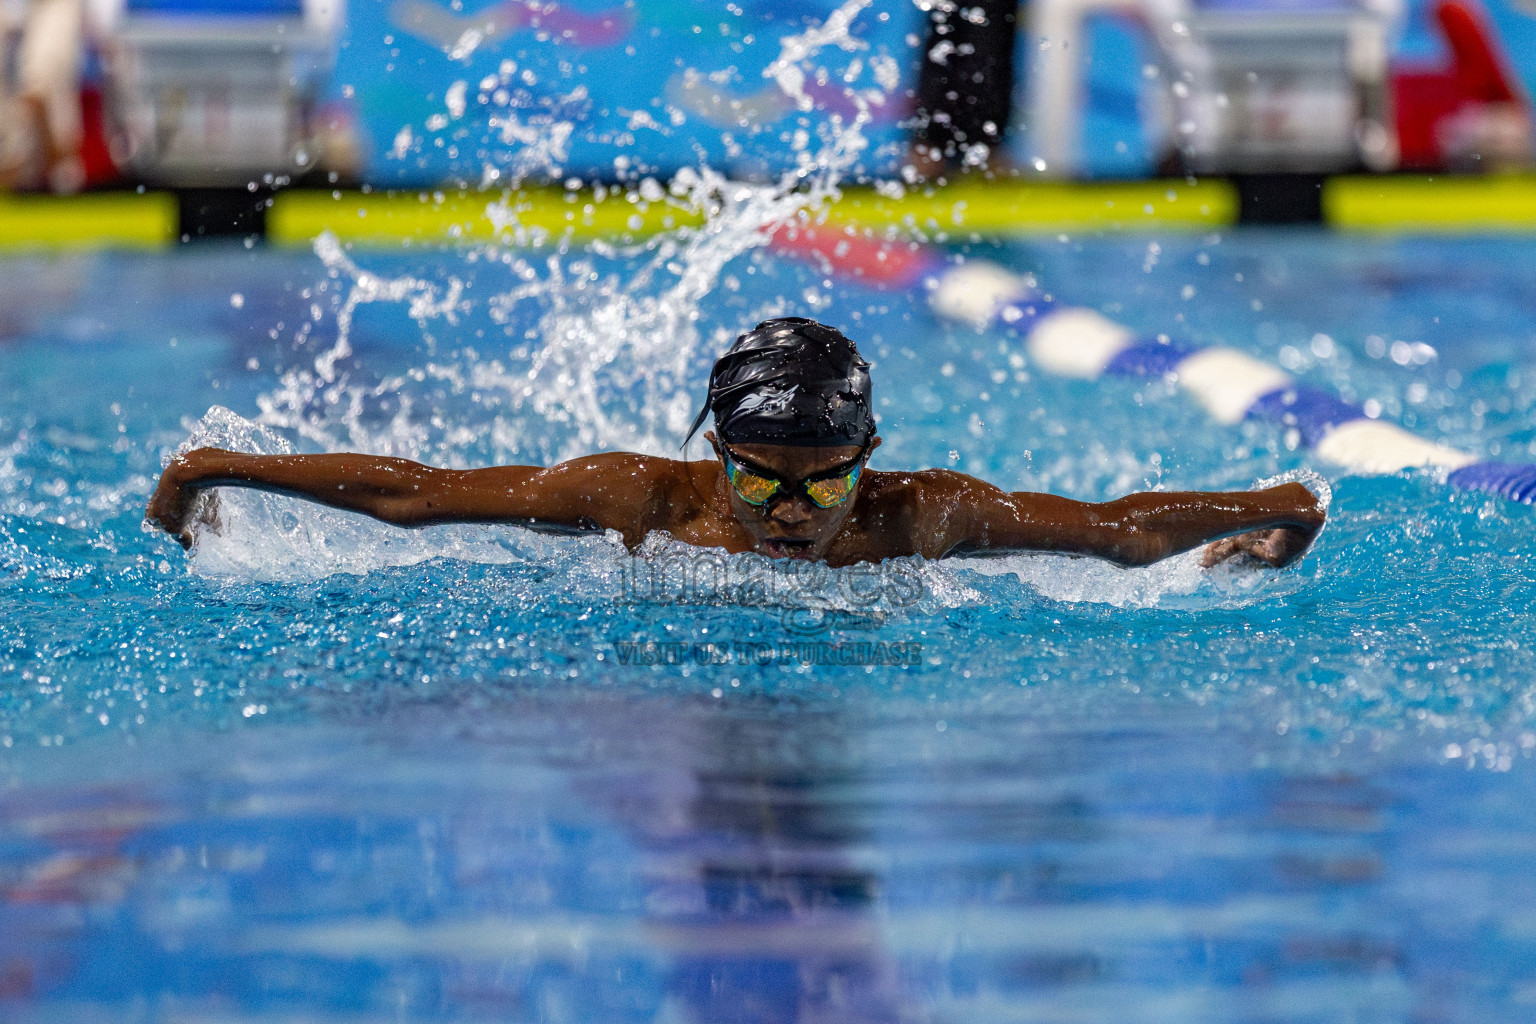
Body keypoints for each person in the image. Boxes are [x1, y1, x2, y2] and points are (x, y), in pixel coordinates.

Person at [146, 318, 1325, 570]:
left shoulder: (918, 514)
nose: (796, 506)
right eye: (761, 474)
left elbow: (1117, 533)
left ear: (868, 455)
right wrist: (215, 464)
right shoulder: (644, 499)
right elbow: (422, 494)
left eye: (826, 479)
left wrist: (1274, 507)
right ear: (717, 454)